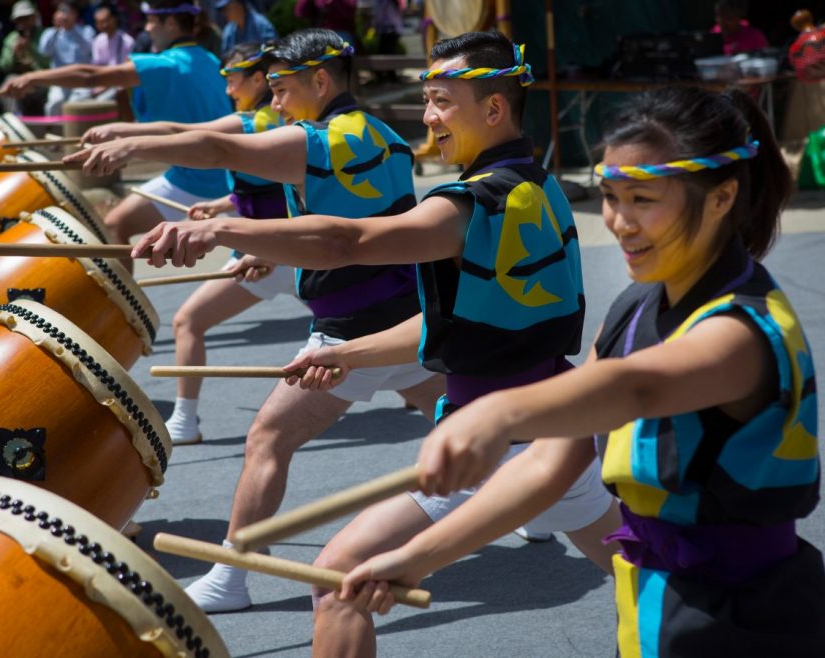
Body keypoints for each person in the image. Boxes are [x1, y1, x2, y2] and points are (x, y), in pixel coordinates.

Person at [128, 31, 621, 633]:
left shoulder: (473, 204)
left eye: (442, 101)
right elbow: (462, 322)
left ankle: (231, 579)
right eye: (427, 100)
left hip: (497, 444)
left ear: (493, 109)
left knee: (339, 584)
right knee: (648, 584)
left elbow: (348, 241)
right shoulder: (540, 187)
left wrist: (227, 231)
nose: (428, 116)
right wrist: (352, 357)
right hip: (556, 429)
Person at [336, 86, 825, 656]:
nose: (619, 222)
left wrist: (499, 410)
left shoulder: (742, 330)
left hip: (747, 623)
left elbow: (635, 388)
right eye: (612, 197)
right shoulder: (636, 308)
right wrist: (416, 558)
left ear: (722, 198)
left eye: (644, 199)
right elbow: (547, 462)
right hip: (654, 610)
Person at [74, 27, 450, 613]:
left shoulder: (320, 140)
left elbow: (224, 153)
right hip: (406, 322)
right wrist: (273, 251)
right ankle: (546, 505)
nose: (273, 102)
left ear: (321, 81)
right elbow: (350, 224)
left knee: (268, 437)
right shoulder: (382, 137)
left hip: (349, 330)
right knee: (464, 424)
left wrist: (132, 148)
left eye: (282, 87)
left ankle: (230, 579)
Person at [80, 41, 293, 445]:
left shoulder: (252, 124)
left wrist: (124, 134)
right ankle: (418, 382)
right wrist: (220, 203)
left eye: (232, 80)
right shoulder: (271, 123)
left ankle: (185, 422)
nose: (228, 90)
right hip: (280, 248)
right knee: (345, 330)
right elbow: (270, 188)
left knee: (188, 321)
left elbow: (182, 133)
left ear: (257, 79)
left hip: (275, 249)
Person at [4, 0, 233, 252]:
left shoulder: (165, 65)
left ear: (170, 23)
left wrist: (33, 77)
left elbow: (92, 76)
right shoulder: (209, 59)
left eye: (150, 22)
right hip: (222, 171)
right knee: (115, 224)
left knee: (113, 226)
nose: (146, 29)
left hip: (198, 178)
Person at [39, 1, 96, 115]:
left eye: (66, 11)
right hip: (59, 79)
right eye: (60, 11)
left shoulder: (86, 30)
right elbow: (44, 52)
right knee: (54, 104)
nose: (63, 15)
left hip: (81, 79)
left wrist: (72, 29)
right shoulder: (50, 33)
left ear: (75, 14)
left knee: (76, 104)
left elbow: (88, 50)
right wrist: (56, 29)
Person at [0, 1, 49, 115]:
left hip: (42, 77)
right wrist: (14, 53)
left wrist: (31, 48)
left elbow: (50, 63)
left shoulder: (45, 35)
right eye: (20, 19)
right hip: (19, 77)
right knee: (8, 85)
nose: (23, 22)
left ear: (34, 17)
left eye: (26, 18)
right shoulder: (11, 38)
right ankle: (16, 121)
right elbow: (4, 66)